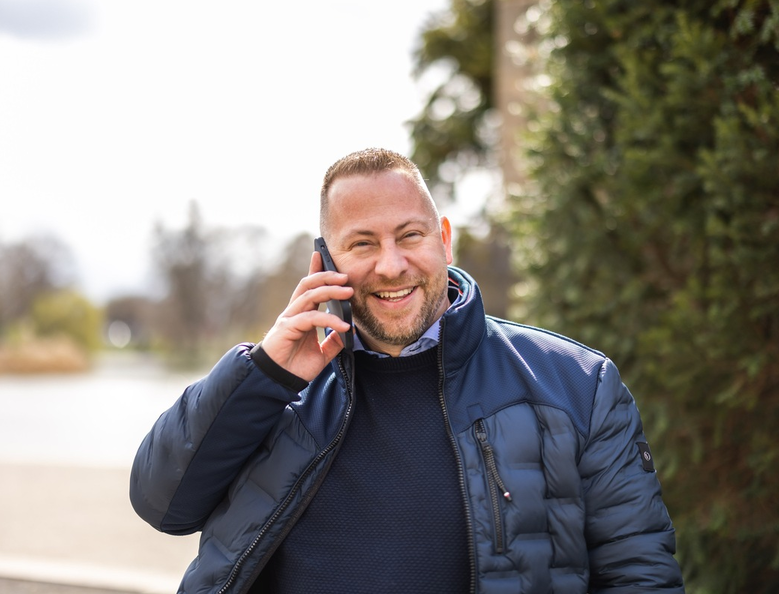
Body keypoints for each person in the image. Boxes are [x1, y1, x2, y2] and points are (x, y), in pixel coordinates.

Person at [130, 148, 684, 594]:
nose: (391, 264)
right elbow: (161, 503)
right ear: (325, 261)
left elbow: (642, 577)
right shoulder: (275, 390)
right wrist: (266, 375)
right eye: (362, 244)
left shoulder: (579, 385)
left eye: (410, 235)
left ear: (443, 238)